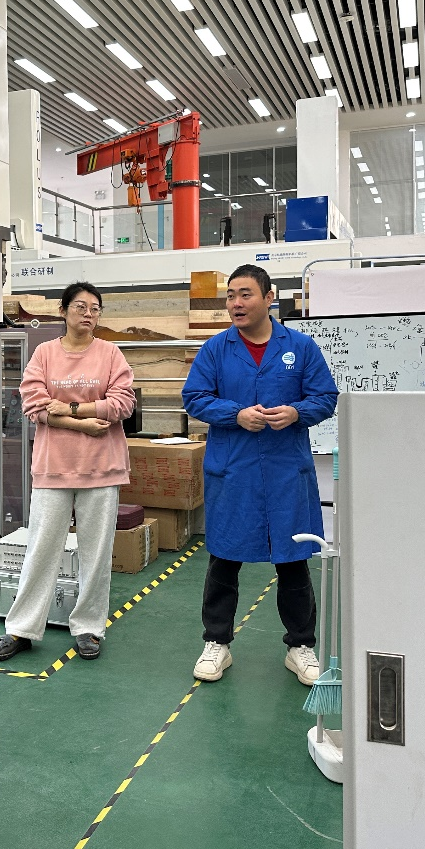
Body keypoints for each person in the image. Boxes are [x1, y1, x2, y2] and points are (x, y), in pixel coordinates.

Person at [181, 264, 338, 685]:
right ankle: (217, 642)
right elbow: (194, 397)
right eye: (231, 295)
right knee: (224, 558)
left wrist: (296, 412)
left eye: (245, 294)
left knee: (293, 561)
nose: (236, 303)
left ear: (269, 298)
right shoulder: (216, 349)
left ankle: (300, 646)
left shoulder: (300, 347)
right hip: (234, 471)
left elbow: (325, 397)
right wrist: (235, 414)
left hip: (285, 472)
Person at [0, 282, 136, 662]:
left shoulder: (110, 353)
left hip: (102, 468)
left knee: (96, 555)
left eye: (95, 308)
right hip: (53, 468)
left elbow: (123, 404)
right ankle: (21, 628)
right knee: (41, 549)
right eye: (80, 307)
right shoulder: (44, 353)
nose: (88, 314)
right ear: (64, 311)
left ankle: (89, 627)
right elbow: (34, 406)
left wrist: (69, 409)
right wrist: (84, 422)